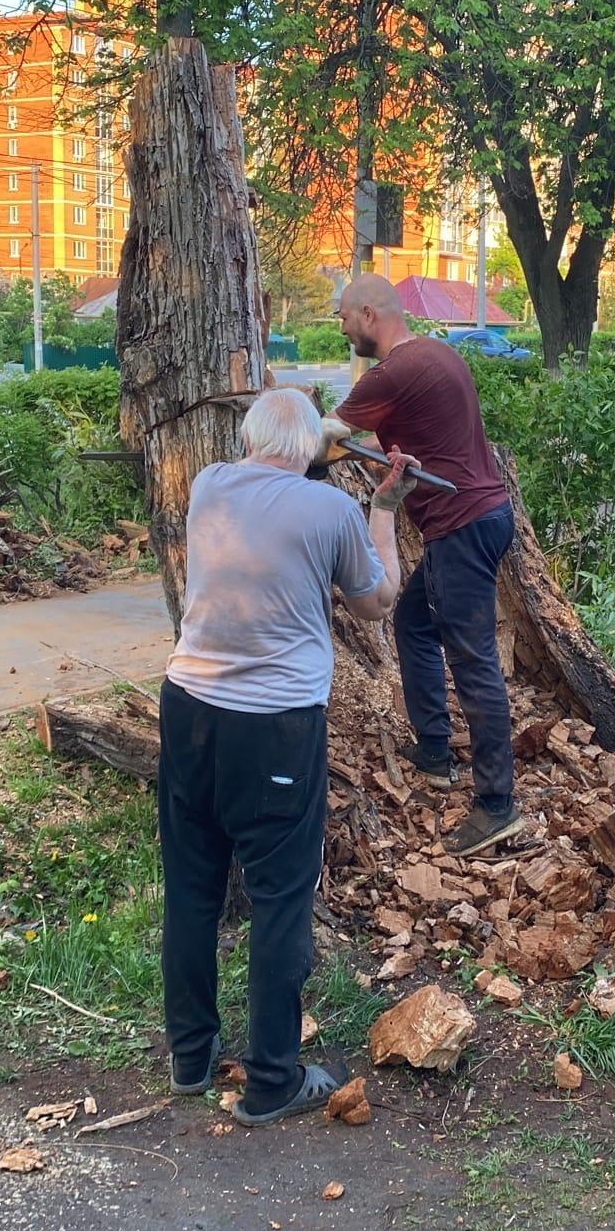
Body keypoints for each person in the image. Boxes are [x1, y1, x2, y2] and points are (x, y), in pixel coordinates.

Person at [159, 386, 414, 1127]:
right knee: (278, 899)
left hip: (189, 710)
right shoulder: (331, 510)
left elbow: (276, 458)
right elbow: (377, 600)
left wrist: (315, 440)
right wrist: (386, 508)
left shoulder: (210, 484)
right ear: (315, 451)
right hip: (273, 724)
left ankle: (190, 1056)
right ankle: (271, 1079)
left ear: (247, 440)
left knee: (193, 887)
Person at [327, 273, 523, 857]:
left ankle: (496, 806)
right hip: (483, 517)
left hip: (461, 528)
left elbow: (325, 439)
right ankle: (434, 749)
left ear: (369, 314)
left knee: (474, 661)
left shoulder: (393, 373)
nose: (340, 328)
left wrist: (270, 428)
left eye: (342, 317)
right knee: (413, 622)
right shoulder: (440, 353)